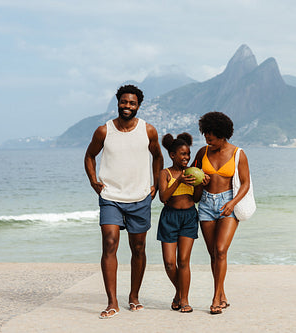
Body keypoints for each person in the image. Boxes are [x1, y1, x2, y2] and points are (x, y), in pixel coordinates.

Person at [84, 84, 163, 319]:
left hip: (140, 197)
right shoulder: (103, 131)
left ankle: (134, 296)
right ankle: (112, 302)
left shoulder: (148, 131)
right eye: (124, 102)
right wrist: (93, 181)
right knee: (109, 243)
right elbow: (89, 155)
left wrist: (156, 185)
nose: (127, 106)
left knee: (138, 248)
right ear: (117, 102)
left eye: (132, 103)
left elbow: (158, 157)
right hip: (110, 198)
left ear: (138, 106)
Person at [192, 111, 251, 315]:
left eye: (212, 136)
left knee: (221, 250)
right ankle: (222, 294)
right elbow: (191, 175)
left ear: (223, 134)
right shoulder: (202, 152)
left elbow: (245, 183)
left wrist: (233, 203)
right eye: (205, 135)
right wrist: (201, 179)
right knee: (213, 254)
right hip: (206, 205)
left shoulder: (238, 154)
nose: (208, 139)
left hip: (228, 204)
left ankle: (216, 298)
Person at [157, 132, 208, 313]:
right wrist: (178, 180)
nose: (186, 157)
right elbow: (163, 197)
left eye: (188, 154)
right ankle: (179, 292)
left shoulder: (193, 173)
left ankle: (184, 300)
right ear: (172, 155)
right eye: (182, 154)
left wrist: (201, 183)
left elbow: (196, 198)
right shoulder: (165, 173)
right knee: (170, 263)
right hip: (169, 217)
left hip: (188, 217)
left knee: (184, 260)